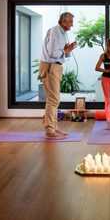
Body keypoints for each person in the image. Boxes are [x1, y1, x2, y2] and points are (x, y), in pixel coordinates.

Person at [40, 12, 77, 140]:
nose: (72, 24)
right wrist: (65, 50)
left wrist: (68, 49)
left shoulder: (63, 33)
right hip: (51, 66)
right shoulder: (55, 31)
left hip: (55, 66)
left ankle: (53, 127)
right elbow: (52, 53)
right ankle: (50, 130)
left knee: (54, 98)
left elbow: (61, 53)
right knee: (53, 99)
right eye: (70, 21)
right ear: (63, 21)